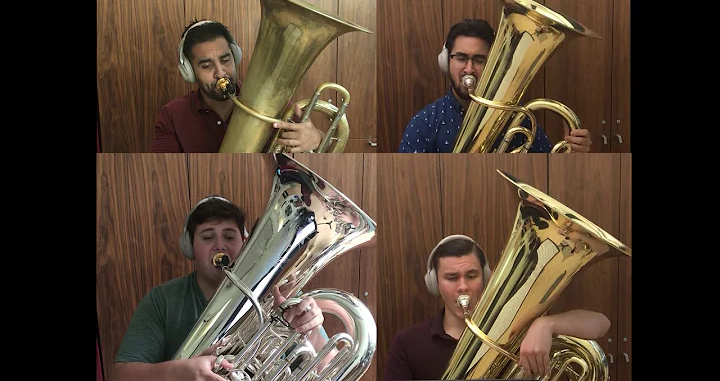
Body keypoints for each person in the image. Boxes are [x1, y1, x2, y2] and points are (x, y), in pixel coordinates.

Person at [112, 196, 333, 381]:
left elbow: (328, 370)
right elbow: (121, 375)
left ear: (245, 244)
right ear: (191, 249)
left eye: (229, 236)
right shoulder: (162, 299)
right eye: (208, 237)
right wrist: (178, 371)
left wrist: (311, 332)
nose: (220, 245)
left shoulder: (278, 295)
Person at [383, 235, 611, 381]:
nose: (463, 287)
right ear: (434, 284)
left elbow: (601, 323)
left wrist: (547, 324)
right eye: (452, 277)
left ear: (485, 277)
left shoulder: (519, 330)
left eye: (471, 276)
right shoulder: (408, 342)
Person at [398, 18, 593, 153]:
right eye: (461, 58)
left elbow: (548, 169)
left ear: (493, 65)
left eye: (480, 59)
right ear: (445, 62)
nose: (469, 69)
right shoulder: (424, 123)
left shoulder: (518, 120)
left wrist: (573, 153)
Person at [152, 19, 323, 153]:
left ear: (236, 57)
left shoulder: (275, 107)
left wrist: (318, 138)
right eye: (206, 65)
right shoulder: (172, 115)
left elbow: (313, 143)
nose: (220, 73)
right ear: (189, 72)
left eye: (225, 60)